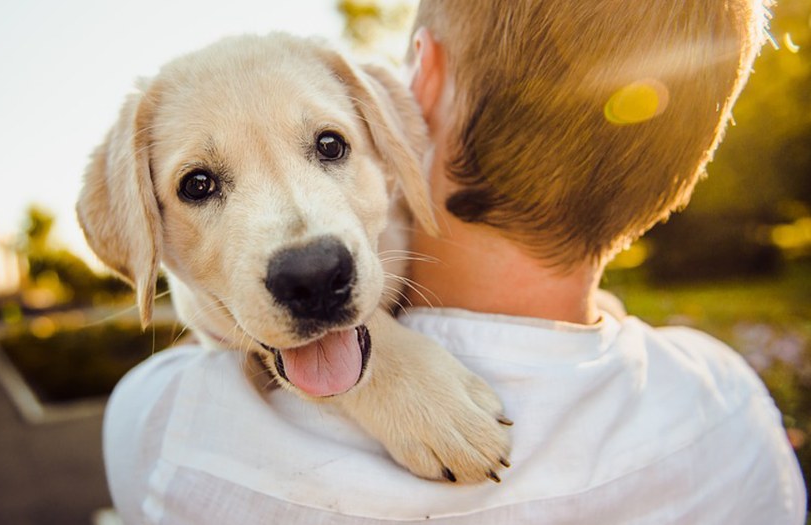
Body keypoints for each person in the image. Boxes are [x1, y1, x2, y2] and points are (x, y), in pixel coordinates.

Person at [103, 0, 807, 523]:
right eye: (200, 185)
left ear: (419, 86)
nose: (307, 247)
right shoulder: (735, 410)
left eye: (328, 145)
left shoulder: (169, 428)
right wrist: (379, 369)